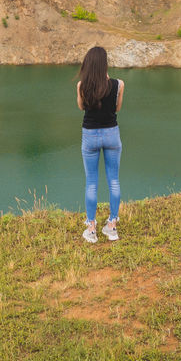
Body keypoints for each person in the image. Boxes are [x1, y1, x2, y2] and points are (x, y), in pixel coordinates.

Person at [77, 45, 124, 243]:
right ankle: (112, 226)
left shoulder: (82, 86)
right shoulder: (119, 84)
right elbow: (118, 108)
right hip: (112, 134)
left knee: (91, 182)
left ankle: (91, 227)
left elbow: (81, 107)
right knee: (113, 180)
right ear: (105, 64)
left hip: (90, 136)